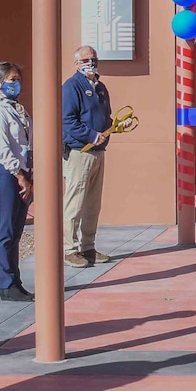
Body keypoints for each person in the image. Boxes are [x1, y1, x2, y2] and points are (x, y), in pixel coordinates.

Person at [0, 60, 35, 300]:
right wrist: (19, 176)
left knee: (16, 231)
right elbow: (3, 147)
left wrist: (29, 174)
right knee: (5, 230)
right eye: (12, 80)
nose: (16, 84)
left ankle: (16, 281)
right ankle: (5, 283)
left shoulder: (19, 109)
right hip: (7, 173)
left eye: (18, 79)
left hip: (24, 171)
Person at [62, 44, 114, 269]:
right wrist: (91, 135)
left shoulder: (101, 87)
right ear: (76, 64)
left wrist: (116, 127)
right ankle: (69, 249)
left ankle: (88, 247)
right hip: (79, 152)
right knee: (75, 203)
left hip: (98, 153)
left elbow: (106, 117)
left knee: (93, 203)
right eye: (84, 60)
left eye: (93, 59)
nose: (90, 63)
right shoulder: (72, 86)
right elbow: (68, 120)